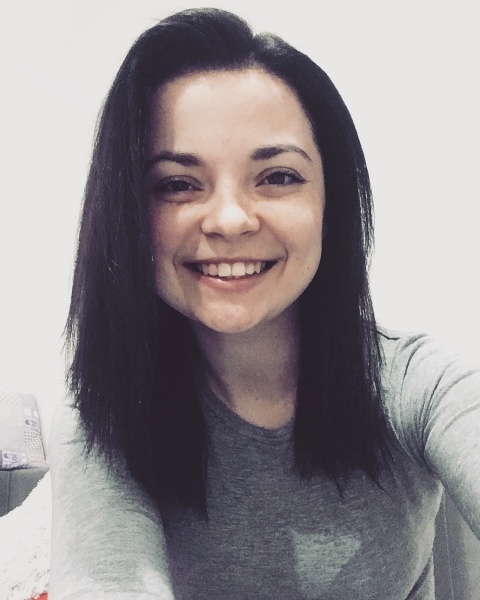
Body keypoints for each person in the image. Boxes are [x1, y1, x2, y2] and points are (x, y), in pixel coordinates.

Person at [49, 7, 480, 599]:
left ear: (330, 202)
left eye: (277, 177)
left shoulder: (422, 384)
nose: (229, 219)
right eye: (177, 184)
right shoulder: (104, 415)